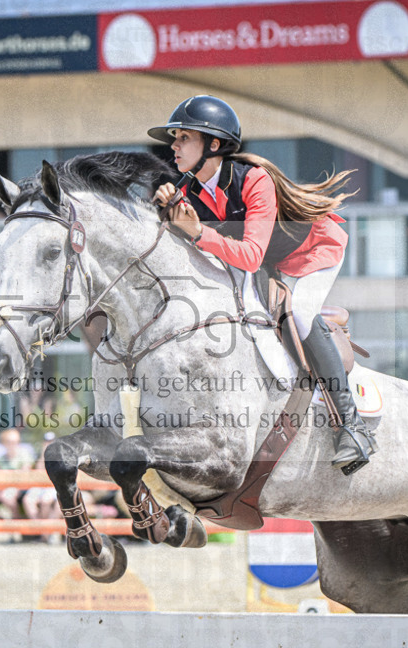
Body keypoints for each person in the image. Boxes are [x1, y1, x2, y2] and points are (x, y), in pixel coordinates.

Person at [148, 95, 375, 474]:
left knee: (300, 314)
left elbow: (250, 256)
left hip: (315, 249)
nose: (173, 145)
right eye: (175, 137)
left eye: (184, 137)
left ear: (214, 145)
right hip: (271, 260)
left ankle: (350, 427)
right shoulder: (187, 191)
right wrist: (164, 214)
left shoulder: (255, 180)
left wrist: (196, 231)